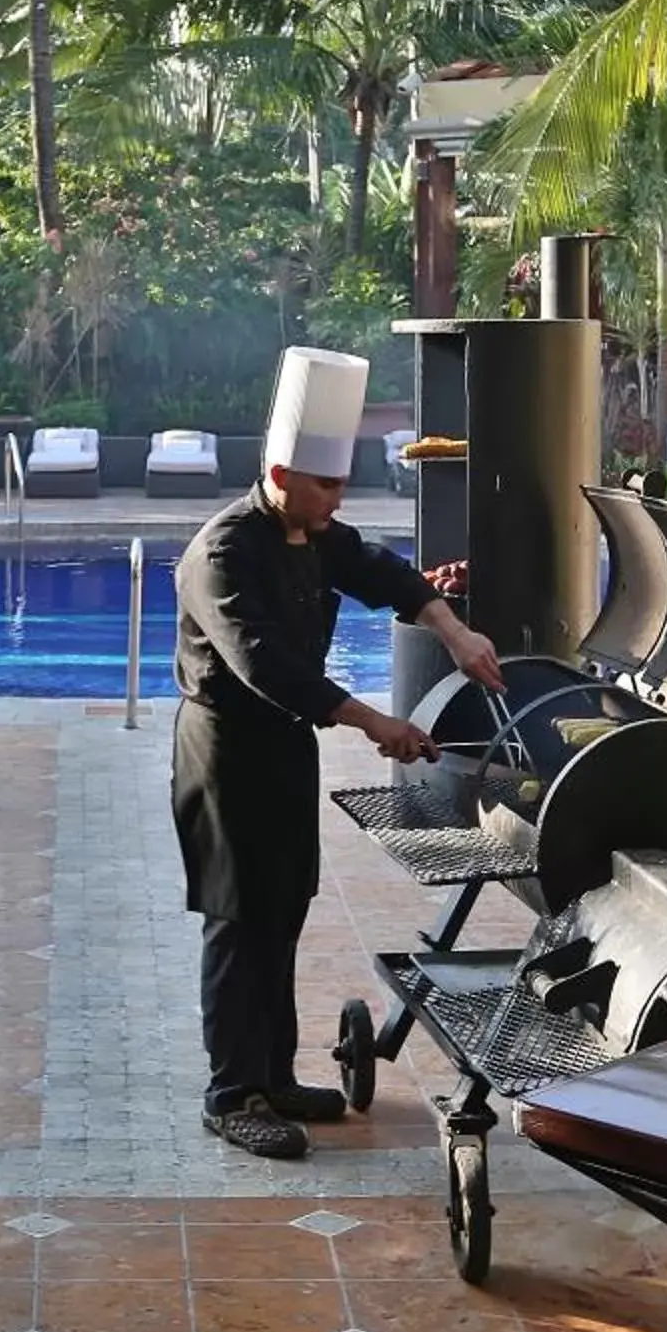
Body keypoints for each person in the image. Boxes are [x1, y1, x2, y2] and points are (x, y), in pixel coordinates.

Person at [171, 346, 504, 1159]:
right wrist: (373, 722)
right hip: (226, 756)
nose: (337, 499)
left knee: (283, 910)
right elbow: (265, 669)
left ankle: (273, 1075)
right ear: (282, 473)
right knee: (238, 921)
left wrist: (456, 632)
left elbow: (385, 573)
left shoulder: (317, 533)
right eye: (326, 485)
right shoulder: (223, 554)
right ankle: (231, 1093)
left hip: (285, 752)